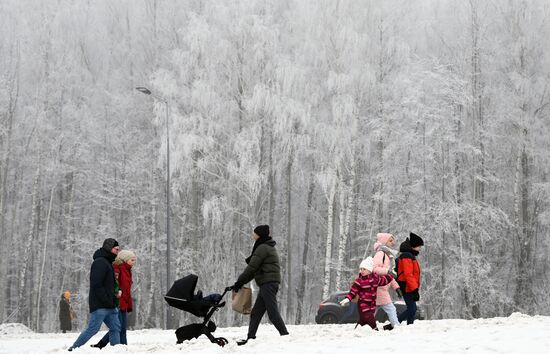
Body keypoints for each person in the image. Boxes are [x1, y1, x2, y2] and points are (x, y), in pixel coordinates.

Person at [231, 225, 289, 345]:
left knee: (272, 314)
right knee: (256, 313)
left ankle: (285, 336)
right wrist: (240, 282)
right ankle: (250, 338)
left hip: (268, 284)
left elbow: (251, 268)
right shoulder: (264, 246)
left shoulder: (262, 247)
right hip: (267, 284)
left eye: (254, 233)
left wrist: (239, 282)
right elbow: (255, 269)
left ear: (260, 235)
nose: (253, 235)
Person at [68, 238, 121, 351]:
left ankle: (117, 350)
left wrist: (113, 297)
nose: (117, 252)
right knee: (93, 329)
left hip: (110, 305)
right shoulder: (100, 262)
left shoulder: (107, 262)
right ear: (109, 248)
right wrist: (106, 300)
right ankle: (74, 349)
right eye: (116, 249)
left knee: (116, 328)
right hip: (100, 305)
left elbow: (108, 285)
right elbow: (96, 284)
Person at [92, 250, 137, 348]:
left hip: (124, 302)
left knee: (121, 327)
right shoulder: (117, 269)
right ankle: (121, 347)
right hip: (117, 302)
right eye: (132, 260)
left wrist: (128, 303)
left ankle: (107, 345)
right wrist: (116, 299)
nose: (134, 262)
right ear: (125, 260)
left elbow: (127, 289)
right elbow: (114, 286)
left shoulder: (128, 270)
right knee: (118, 327)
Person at [339, 257, 393, 329]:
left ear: (370, 270)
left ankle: (359, 328)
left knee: (364, 320)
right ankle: (375, 329)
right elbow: (353, 291)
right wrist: (348, 299)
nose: (361, 271)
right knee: (369, 317)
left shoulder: (375, 279)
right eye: (361, 269)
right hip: (363, 304)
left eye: (364, 269)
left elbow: (384, 281)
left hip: (372, 304)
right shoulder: (359, 281)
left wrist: (391, 275)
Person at [372, 233, 402, 331]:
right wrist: (387, 271)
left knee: (372, 310)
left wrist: (396, 287)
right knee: (391, 309)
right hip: (379, 287)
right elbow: (375, 268)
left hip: (380, 287)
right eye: (390, 240)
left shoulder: (387, 255)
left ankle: (366, 326)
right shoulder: (380, 253)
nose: (393, 242)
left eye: (393, 240)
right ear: (384, 241)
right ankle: (396, 326)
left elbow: (389, 276)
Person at [396, 232, 424, 325]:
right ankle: (394, 323)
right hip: (407, 286)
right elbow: (408, 274)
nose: (420, 249)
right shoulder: (407, 256)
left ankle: (410, 326)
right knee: (412, 309)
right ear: (413, 246)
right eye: (419, 246)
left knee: (411, 309)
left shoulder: (410, 255)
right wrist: (414, 289)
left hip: (409, 286)